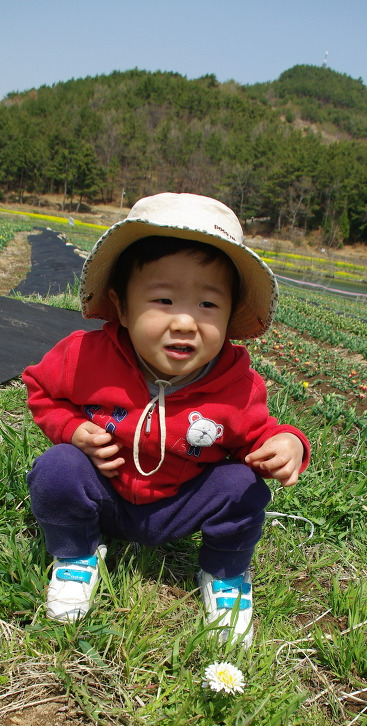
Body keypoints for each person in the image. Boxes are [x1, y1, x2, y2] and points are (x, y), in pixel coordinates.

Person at [22, 193, 310, 646]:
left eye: (208, 305)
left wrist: (289, 443)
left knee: (243, 486)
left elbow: (259, 433)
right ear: (122, 306)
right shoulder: (84, 356)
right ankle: (77, 554)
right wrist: (71, 429)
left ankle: (226, 574)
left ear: (231, 314)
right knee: (58, 468)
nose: (185, 322)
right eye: (163, 299)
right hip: (108, 494)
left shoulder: (237, 385)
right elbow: (40, 389)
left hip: (181, 506)